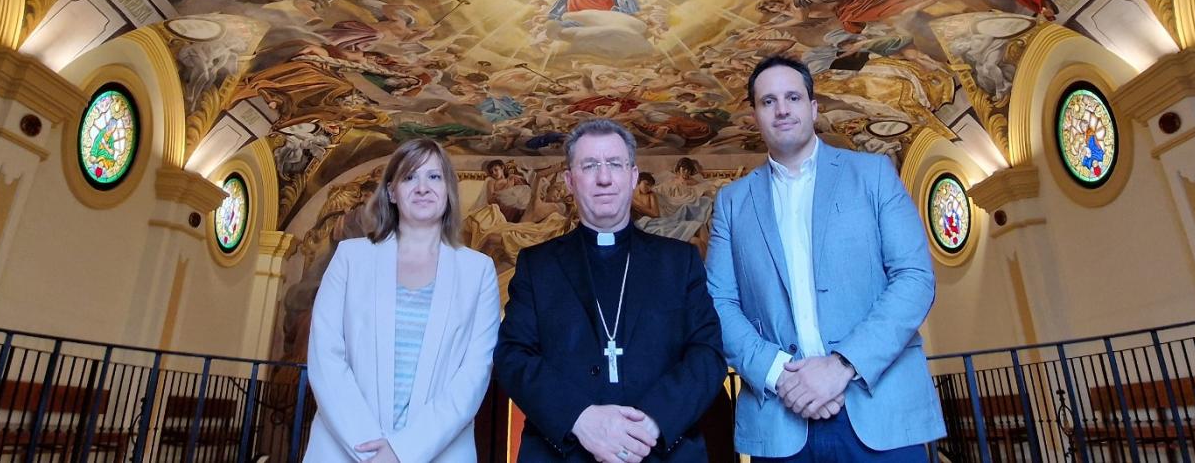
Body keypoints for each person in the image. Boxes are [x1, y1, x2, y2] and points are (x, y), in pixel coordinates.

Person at [706, 56, 944, 461]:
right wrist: (779, 375)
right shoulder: (731, 202)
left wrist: (842, 366)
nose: (782, 109)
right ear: (754, 116)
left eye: (793, 97)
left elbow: (914, 277)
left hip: (879, 410)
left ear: (813, 108)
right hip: (781, 421)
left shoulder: (874, 174)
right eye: (768, 101)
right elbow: (719, 303)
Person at [494, 119, 726, 463]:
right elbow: (513, 356)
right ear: (570, 181)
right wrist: (579, 418)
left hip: (663, 451)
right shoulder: (537, 265)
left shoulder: (678, 261)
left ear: (633, 177)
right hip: (564, 453)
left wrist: (651, 423)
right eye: (590, 166)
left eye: (615, 165)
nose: (604, 178)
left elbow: (707, 353)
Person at [305, 139, 500, 463]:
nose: (422, 187)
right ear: (392, 192)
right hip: (345, 450)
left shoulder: (478, 271)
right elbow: (325, 357)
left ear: (449, 191)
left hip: (439, 452)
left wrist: (404, 451)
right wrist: (369, 448)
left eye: (434, 177)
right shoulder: (350, 259)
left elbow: (474, 373)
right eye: (410, 177)